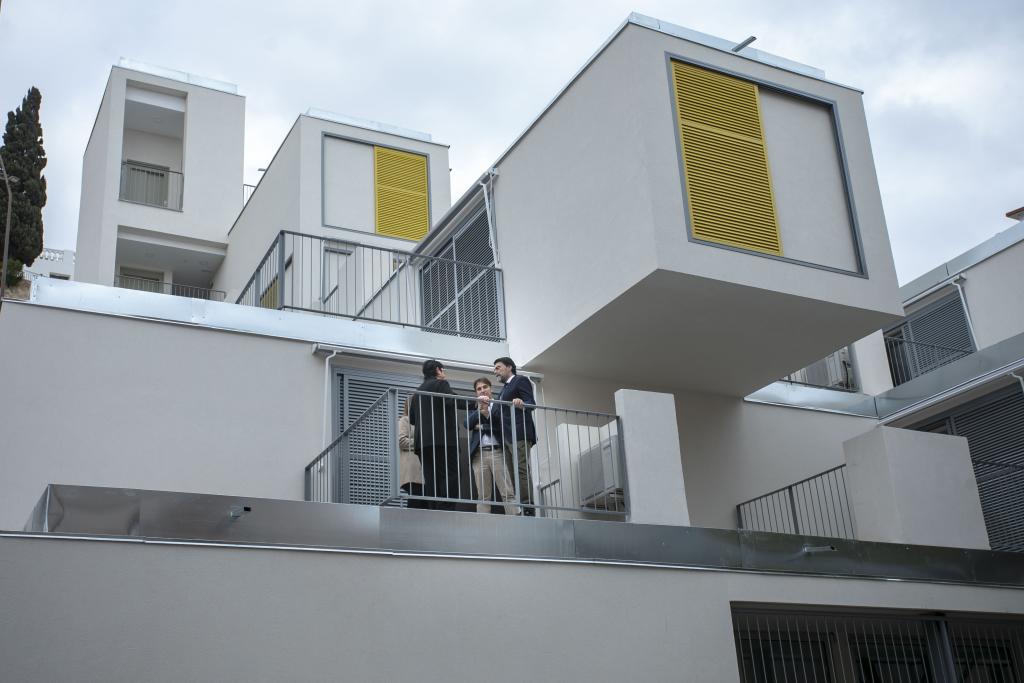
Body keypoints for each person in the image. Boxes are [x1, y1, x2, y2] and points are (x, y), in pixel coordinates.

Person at [408, 359, 460, 510]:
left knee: (431, 477)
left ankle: (433, 508)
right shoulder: (441, 384)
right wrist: (475, 403)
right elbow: (452, 400)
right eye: (443, 370)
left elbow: (412, 419)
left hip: (422, 443)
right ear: (438, 370)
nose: (444, 373)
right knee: (449, 473)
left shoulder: (418, 392)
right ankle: (446, 508)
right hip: (443, 440)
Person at [490, 357, 537, 515]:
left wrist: (521, 402)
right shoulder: (503, 390)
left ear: (509, 367)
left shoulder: (520, 380)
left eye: (498, 367)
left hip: (519, 433)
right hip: (507, 437)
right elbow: (495, 413)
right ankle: (522, 506)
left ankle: (528, 507)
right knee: (512, 473)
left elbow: (531, 403)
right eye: (495, 369)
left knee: (520, 469)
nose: (495, 371)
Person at [465, 376, 519, 515]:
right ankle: (483, 525)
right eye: (479, 389)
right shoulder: (474, 407)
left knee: (507, 491)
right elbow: (467, 424)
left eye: (485, 387)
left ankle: (515, 521)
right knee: (483, 495)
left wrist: (482, 425)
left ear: (491, 388)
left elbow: (502, 427)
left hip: (498, 452)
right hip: (479, 455)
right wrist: (479, 411)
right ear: (476, 393)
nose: (482, 390)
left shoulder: (499, 404)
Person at [397, 398, 427, 509]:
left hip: (423, 470)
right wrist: (421, 443)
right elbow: (401, 441)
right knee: (416, 500)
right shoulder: (405, 420)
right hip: (412, 470)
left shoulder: (423, 423)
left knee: (425, 504)